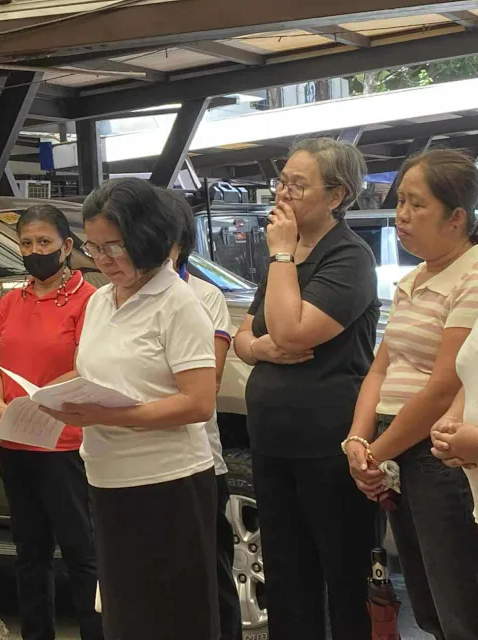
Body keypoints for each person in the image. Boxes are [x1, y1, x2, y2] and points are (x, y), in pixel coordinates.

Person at [43, 178, 219, 640]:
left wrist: (110, 417)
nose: (101, 259)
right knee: (125, 619)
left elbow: (198, 402)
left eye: (114, 247)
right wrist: (40, 397)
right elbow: (97, 373)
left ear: (147, 239)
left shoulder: (178, 303)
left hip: (167, 483)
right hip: (107, 479)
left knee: (172, 620)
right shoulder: (102, 300)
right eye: (92, 246)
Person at [233, 138, 379, 639]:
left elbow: (293, 330)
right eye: (282, 181)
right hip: (274, 441)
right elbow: (245, 334)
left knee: (343, 576)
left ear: (336, 196)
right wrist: (260, 351)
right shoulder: (286, 254)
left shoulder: (349, 258)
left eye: (298, 184)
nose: (283, 193)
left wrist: (279, 259)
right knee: (288, 577)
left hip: (329, 444)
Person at [346, 148, 478, 639]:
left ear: (456, 217)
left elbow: (447, 383)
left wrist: (378, 453)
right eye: (399, 201)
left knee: (458, 601)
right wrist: (358, 443)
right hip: (394, 449)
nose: (401, 215)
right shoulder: (411, 280)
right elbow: (381, 367)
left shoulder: (471, 275)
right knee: (423, 600)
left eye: (417, 204)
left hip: (437, 453)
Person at [0, 204, 102, 640]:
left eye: (44, 242)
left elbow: (87, 366)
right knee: (29, 553)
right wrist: (1, 412)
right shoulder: (10, 302)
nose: (34, 251)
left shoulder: (91, 301)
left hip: (65, 444)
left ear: (67, 247)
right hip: (14, 444)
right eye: (26, 243)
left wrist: (32, 406)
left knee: (82, 554)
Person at [168, 190, 241, 640]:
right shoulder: (111, 297)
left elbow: (204, 384)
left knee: (212, 568)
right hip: (136, 464)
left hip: (198, 458)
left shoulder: (203, 296)